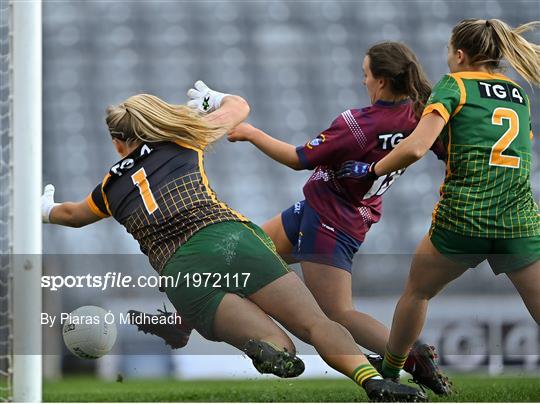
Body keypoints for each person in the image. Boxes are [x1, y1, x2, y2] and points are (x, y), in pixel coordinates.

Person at [40, 81, 426, 402]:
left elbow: (72, 216)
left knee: (282, 350)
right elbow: (240, 107)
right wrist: (216, 100)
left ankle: (266, 349)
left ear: (117, 141)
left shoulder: (108, 189)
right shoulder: (181, 141)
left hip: (180, 272)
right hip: (228, 238)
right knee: (313, 323)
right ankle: (372, 382)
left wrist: (44, 210)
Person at [226, 42, 451, 395]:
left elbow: (298, 158)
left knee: (337, 315)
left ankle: (408, 357)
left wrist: (251, 133)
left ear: (380, 81)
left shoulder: (358, 124)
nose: (363, 82)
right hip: (326, 212)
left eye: (365, 75)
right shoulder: (420, 118)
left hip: (329, 220)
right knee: (238, 260)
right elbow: (446, 152)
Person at [335, 18, 540, 380]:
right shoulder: (518, 94)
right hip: (517, 219)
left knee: (417, 293)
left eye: (449, 51)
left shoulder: (454, 85)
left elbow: (415, 147)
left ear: (459, 55)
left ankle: (394, 370)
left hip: (464, 217)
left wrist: (371, 171)